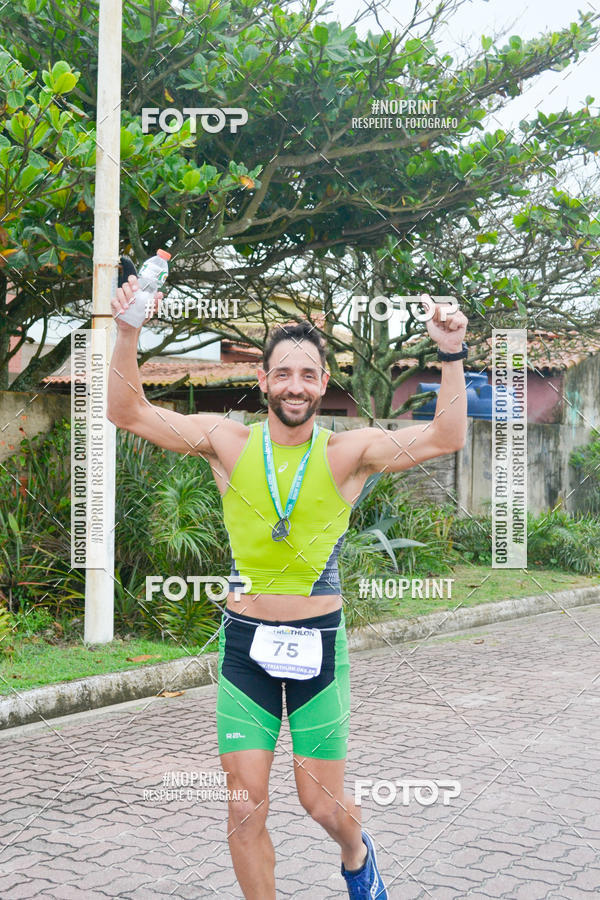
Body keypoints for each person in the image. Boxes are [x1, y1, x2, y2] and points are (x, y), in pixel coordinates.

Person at [108, 275, 468, 899]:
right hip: (245, 646)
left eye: (308, 374)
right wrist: (129, 327)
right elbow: (127, 410)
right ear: (264, 381)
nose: (294, 386)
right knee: (244, 810)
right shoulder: (228, 442)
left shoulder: (347, 452)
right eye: (282, 373)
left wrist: (451, 352)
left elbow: (446, 436)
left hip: (318, 648)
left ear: (324, 383)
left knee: (321, 806)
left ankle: (358, 857)